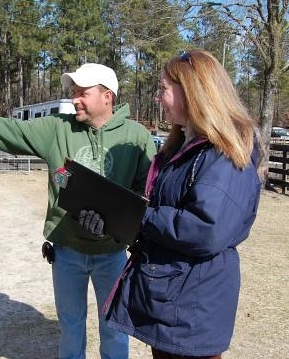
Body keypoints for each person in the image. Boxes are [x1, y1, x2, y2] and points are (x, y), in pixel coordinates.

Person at [0, 63, 156, 359]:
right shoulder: (57, 128)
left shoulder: (136, 137)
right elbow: (6, 130)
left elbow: (148, 196)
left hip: (112, 255)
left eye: (83, 93)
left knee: (115, 329)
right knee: (71, 326)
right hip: (67, 252)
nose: (75, 98)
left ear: (107, 97)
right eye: (73, 92)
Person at [104, 50, 262, 359]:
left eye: (163, 88)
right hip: (171, 299)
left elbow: (206, 230)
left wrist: (137, 215)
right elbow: (163, 215)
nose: (156, 97)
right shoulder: (184, 147)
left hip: (193, 308)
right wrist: (116, 221)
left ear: (192, 91)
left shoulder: (224, 153)